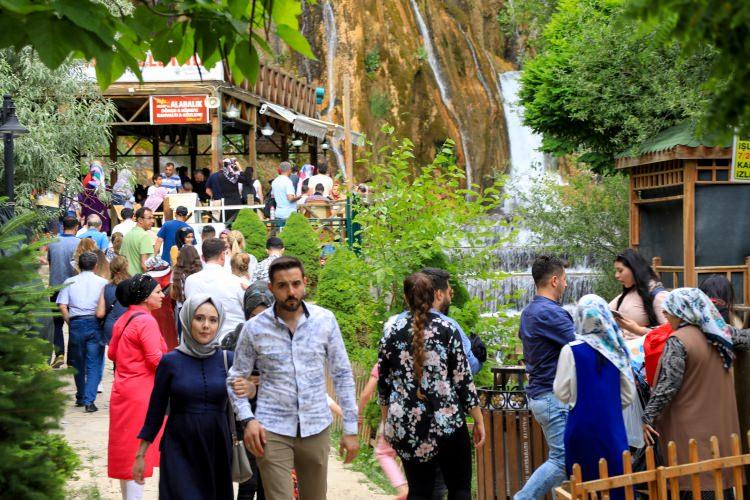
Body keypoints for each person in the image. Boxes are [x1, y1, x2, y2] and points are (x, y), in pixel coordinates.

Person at [228, 256, 360, 500]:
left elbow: (342, 374)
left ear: (305, 283)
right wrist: (247, 419)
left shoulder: (325, 321)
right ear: (271, 288)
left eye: (296, 284)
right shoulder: (254, 328)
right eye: (282, 285)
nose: (291, 291)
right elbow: (235, 377)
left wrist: (351, 429)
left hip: (316, 426)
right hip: (271, 429)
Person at [378, 272, 484, 500]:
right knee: (460, 489)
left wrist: (386, 423)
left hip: (407, 423)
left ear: (406, 299)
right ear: (434, 295)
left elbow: (384, 384)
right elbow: (463, 380)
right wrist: (478, 419)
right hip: (447, 423)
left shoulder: (391, 331)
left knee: (419, 491)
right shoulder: (447, 328)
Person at [642, 288, 750, 496]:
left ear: (682, 312)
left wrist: (648, 417)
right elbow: (746, 338)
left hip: (688, 434)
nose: (666, 317)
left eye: (669, 312)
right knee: (720, 484)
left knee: (695, 485)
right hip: (722, 432)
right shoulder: (721, 334)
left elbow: (667, 387)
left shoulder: (677, 341)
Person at [133, 294, 234, 499]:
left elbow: (244, 401)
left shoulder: (228, 359)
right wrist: (141, 454)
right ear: (187, 319)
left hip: (216, 446)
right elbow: (156, 411)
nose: (206, 325)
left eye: (213, 320)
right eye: (199, 318)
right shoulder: (170, 362)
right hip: (179, 445)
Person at [554, 295, 636, 500]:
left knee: (583, 486)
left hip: (580, 430)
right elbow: (628, 395)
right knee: (617, 484)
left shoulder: (571, 351)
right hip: (612, 430)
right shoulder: (617, 352)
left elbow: (561, 392)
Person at [515, 256, 575, 500]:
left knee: (564, 464)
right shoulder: (551, 313)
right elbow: (580, 346)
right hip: (553, 397)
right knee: (562, 461)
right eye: (564, 280)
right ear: (554, 280)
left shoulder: (529, 312)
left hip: (541, 395)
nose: (566, 285)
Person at [108, 274, 168, 500]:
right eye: (157, 292)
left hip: (122, 389)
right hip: (141, 393)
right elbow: (156, 360)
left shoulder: (125, 318)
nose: (162, 295)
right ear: (144, 297)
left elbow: (112, 353)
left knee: (126, 451)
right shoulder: (146, 321)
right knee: (137, 452)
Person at [221, 281, 274, 500]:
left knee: (269, 480)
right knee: (248, 480)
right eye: (253, 315)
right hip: (243, 417)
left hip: (274, 417)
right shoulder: (233, 339)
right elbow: (225, 377)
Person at [56, 251, 109, 412]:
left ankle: (80, 395)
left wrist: (69, 321)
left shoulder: (69, 281)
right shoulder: (103, 282)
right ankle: (89, 400)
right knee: (94, 363)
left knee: (77, 362)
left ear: (79, 266)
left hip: (77, 323)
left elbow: (62, 305)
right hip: (95, 322)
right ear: (95, 266)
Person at [358, 362, 408, 500]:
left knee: (383, 453)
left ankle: (403, 489)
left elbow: (366, 394)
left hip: (393, 416)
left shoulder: (382, 363)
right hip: (420, 416)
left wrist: (359, 414)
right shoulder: (420, 355)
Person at [184, 238, 245, 341]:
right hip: (232, 340)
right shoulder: (238, 282)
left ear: (202, 257)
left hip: (202, 341)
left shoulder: (190, 281)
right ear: (222, 255)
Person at [610, 249, 669, 340]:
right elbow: (604, 310)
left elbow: (670, 334)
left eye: (620, 270)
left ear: (634, 269)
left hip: (642, 351)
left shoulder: (658, 295)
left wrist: (637, 330)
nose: (616, 275)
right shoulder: (629, 291)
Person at [47, 215, 80, 368]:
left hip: (55, 287)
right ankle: (72, 359)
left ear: (62, 226)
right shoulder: (79, 243)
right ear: (76, 227)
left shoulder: (53, 242)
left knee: (57, 324)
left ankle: (59, 354)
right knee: (74, 323)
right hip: (73, 289)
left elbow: (50, 263)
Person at [95, 255, 131, 347]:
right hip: (129, 325)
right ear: (127, 267)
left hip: (111, 327)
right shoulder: (133, 285)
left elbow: (100, 313)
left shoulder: (106, 288)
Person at [170, 245, 203, 342]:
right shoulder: (200, 272)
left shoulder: (176, 272)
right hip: (198, 308)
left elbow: (173, 295)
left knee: (183, 339)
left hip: (182, 309)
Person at [121, 208, 155, 275]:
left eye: (153, 218)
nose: (153, 221)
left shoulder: (127, 235)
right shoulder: (144, 236)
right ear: (140, 220)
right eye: (149, 218)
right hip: (139, 280)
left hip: (126, 279)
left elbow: (122, 258)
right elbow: (144, 265)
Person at [79, 161, 111, 234]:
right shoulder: (105, 186)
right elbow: (107, 203)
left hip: (90, 215)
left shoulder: (88, 185)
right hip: (102, 215)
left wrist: (83, 214)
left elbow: (84, 201)